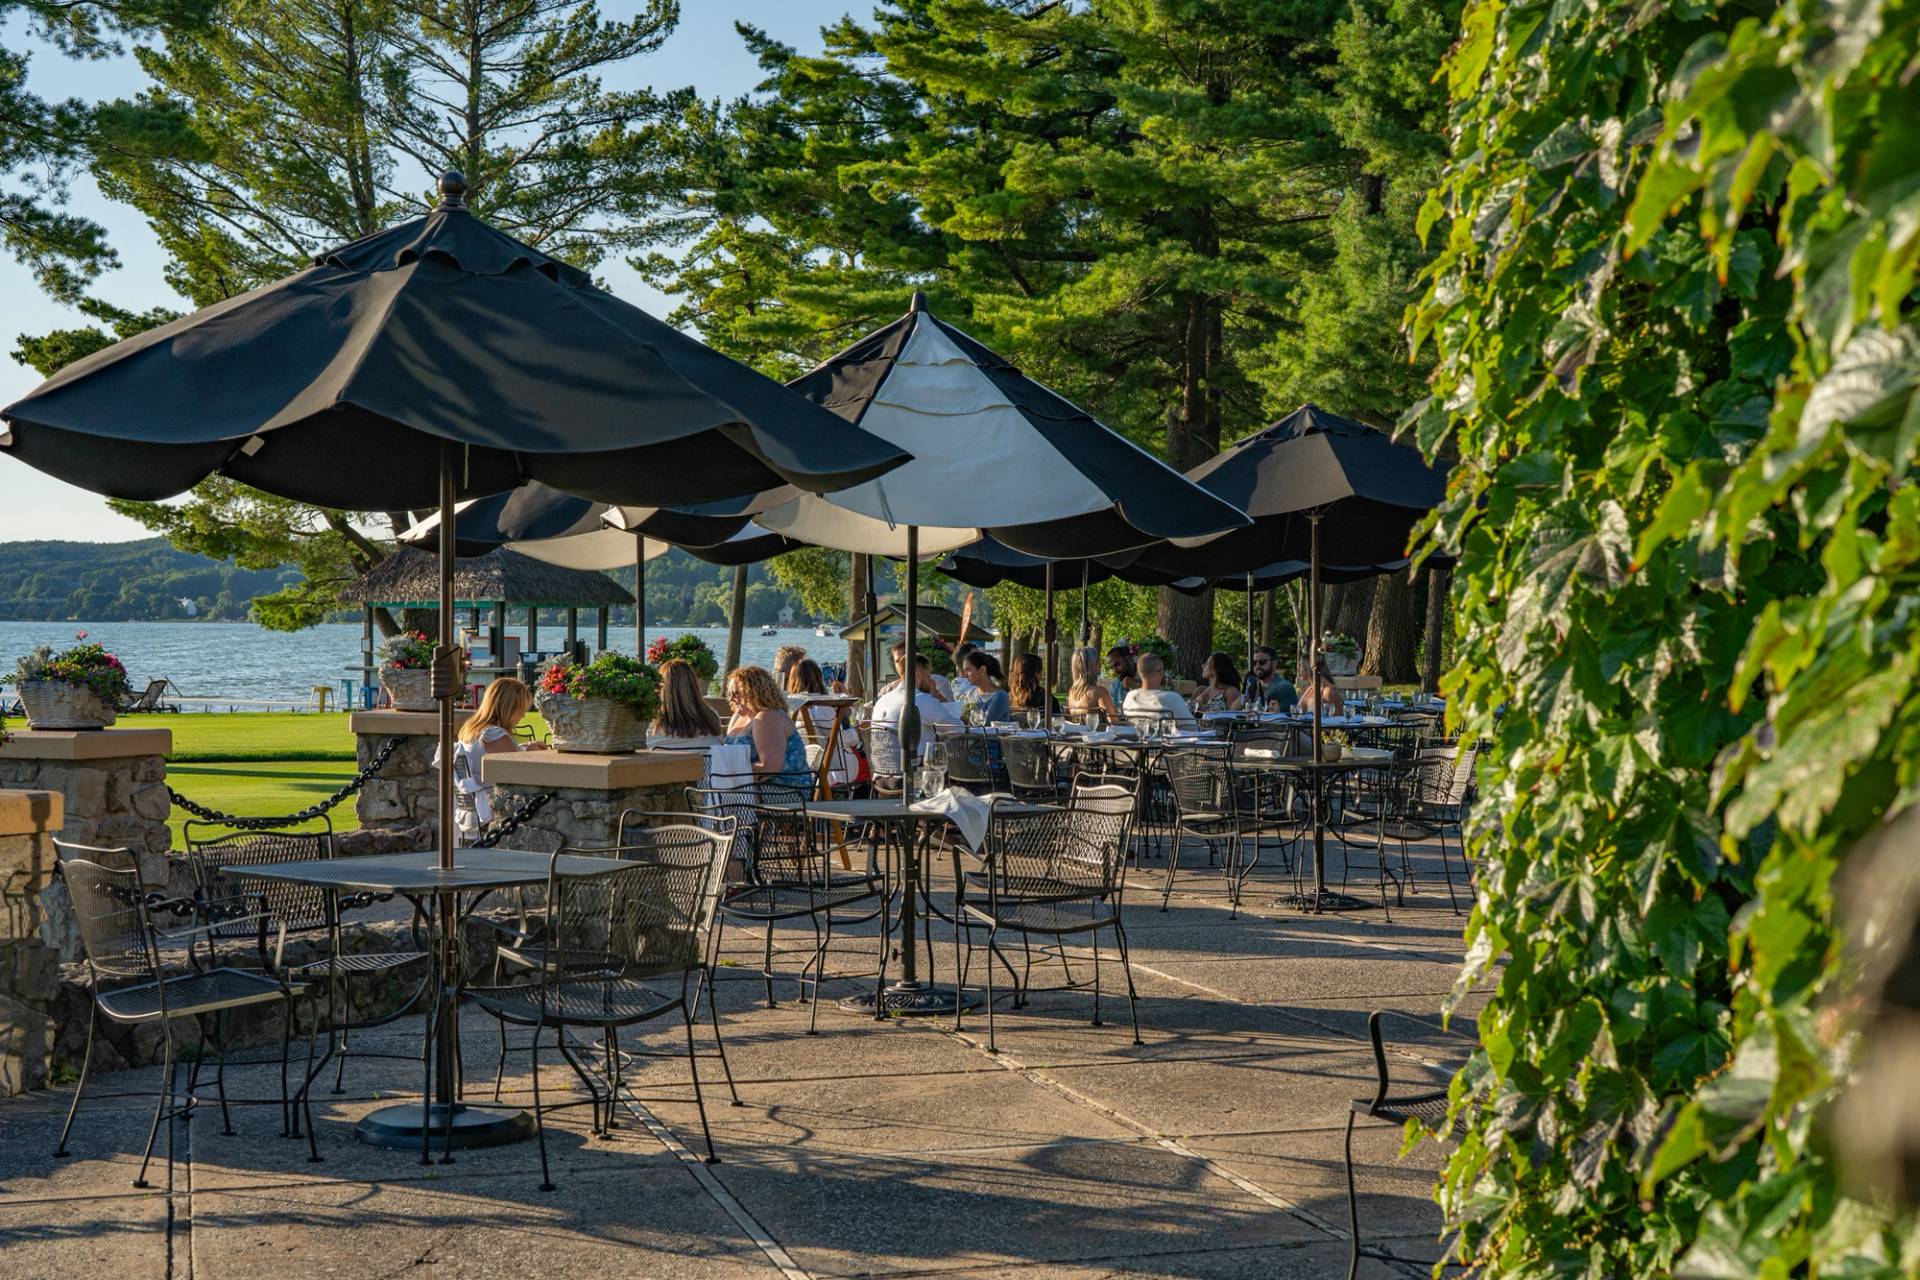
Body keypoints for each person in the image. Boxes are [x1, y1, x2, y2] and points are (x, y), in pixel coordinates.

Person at [440, 677, 547, 844]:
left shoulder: (472, 729)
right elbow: (517, 771)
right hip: (492, 812)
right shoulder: (494, 734)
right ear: (509, 707)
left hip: (470, 810)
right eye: (521, 710)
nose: (523, 715)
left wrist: (526, 747)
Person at [722, 665, 811, 791]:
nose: (731, 698)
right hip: (747, 786)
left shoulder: (767, 717)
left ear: (754, 692)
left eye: (736, 693)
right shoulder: (738, 717)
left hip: (782, 790)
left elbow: (769, 767)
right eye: (730, 693)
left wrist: (728, 771)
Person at [871, 652, 962, 773]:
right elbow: (957, 729)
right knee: (949, 767)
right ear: (918, 675)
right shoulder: (919, 699)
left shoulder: (882, 700)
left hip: (880, 776)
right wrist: (934, 697)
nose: (931, 681)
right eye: (928, 677)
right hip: (912, 775)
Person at [786, 658, 857, 788]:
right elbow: (844, 740)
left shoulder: (791, 709)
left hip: (806, 768)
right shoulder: (824, 707)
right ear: (819, 677)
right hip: (835, 769)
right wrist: (854, 731)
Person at [650, 658, 724, 750]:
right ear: (694, 685)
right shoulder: (712, 717)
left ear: (662, 688)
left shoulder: (652, 723)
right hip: (705, 764)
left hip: (663, 763)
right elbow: (721, 745)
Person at [1121, 652, 1197, 727]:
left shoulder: (1130, 696)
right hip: (1166, 738)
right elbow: (1192, 728)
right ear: (1160, 672)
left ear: (1138, 672)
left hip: (1136, 738)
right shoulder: (1171, 698)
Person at [884, 639, 955, 699]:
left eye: (905, 658)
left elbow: (951, 711)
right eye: (897, 661)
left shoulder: (938, 682)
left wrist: (935, 694)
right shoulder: (888, 689)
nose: (902, 664)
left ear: (918, 658)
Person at [1067, 647, 1119, 720]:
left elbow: (1067, 719)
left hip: (1076, 731)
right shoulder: (1099, 693)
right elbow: (1114, 723)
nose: (1101, 663)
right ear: (1093, 664)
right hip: (1097, 731)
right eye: (1098, 660)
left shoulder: (1072, 692)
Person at [961, 650, 1011, 723]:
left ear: (982, 670)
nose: (965, 675)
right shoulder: (970, 693)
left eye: (968, 670)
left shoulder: (1000, 696)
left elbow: (984, 724)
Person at [1244, 645, 1297, 710]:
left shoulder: (1284, 688)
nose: (1257, 666)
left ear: (1274, 663)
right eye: (1254, 663)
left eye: (1262, 662)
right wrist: (1244, 691)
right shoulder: (1252, 685)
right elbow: (1234, 709)